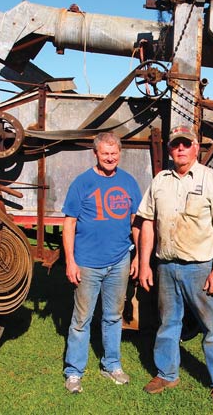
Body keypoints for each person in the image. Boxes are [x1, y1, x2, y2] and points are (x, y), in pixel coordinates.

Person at [137, 124, 213, 404]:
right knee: (168, 323)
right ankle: (167, 374)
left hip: (200, 268)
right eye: (175, 145)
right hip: (167, 267)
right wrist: (145, 264)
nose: (180, 149)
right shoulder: (160, 181)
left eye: (186, 144)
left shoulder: (212, 180)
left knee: (212, 326)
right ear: (170, 149)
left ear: (196, 148)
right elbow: (147, 223)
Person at [62, 132, 141, 394]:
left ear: (119, 153)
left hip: (119, 260)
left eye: (114, 153)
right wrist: (71, 261)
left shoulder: (128, 182)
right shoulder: (82, 183)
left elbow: (135, 222)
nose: (110, 157)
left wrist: (138, 255)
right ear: (95, 153)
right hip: (87, 263)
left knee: (113, 316)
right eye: (105, 153)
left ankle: (112, 365)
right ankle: (74, 372)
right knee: (81, 319)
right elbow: (69, 223)